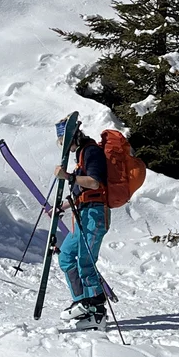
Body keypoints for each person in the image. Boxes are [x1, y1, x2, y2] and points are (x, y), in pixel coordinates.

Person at [56, 129, 109, 325]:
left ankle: (96, 310)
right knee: (66, 256)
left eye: (63, 141)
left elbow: (94, 183)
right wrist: (62, 207)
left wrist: (68, 177)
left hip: (95, 215)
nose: (63, 146)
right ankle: (81, 303)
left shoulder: (91, 151)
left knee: (85, 262)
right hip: (83, 213)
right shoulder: (80, 155)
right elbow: (82, 192)